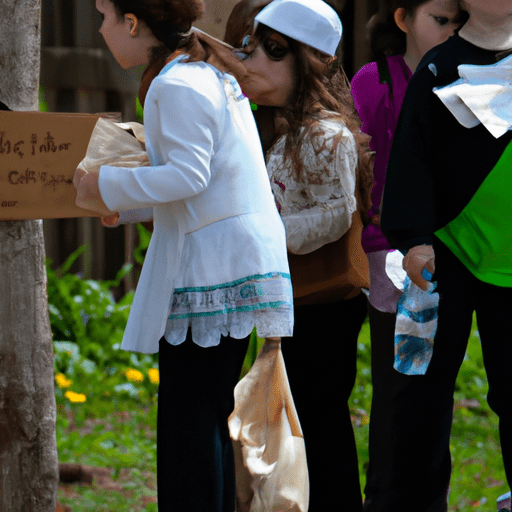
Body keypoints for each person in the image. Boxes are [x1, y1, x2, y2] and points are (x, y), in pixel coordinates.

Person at [73, 1, 294, 510]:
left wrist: (102, 182)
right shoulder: (200, 76)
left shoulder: (177, 84)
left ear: (133, 23)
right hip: (229, 260)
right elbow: (202, 180)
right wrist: (121, 208)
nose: (103, 28)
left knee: (189, 425)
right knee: (202, 419)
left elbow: (188, 176)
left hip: (215, 267)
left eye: (105, 16)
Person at [370, 0, 512, 510]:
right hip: (440, 258)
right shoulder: (438, 66)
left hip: (511, 262)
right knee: (419, 393)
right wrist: (413, 236)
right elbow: (412, 156)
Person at [234, 0, 374, 509]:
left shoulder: (326, 134)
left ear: (300, 60)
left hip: (325, 301)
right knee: (285, 418)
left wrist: (263, 231)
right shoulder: (268, 130)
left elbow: (337, 213)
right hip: (284, 297)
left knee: (318, 417)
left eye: (264, 53)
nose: (247, 64)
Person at [349, 2, 467, 509]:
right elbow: (354, 175)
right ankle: (384, 498)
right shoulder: (374, 82)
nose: (453, 32)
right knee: (397, 393)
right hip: (382, 261)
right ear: (402, 20)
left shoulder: (468, 80)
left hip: (450, 264)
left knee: (430, 397)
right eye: (441, 20)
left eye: (459, 21)